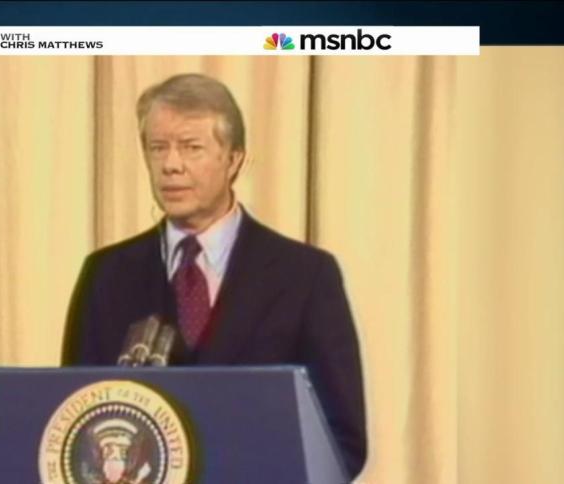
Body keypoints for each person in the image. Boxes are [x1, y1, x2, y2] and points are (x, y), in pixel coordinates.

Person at [61, 73, 367, 478]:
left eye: (191, 148)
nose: (171, 165)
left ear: (234, 159)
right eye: (158, 148)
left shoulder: (306, 276)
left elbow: (341, 441)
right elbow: (77, 420)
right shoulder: (105, 275)